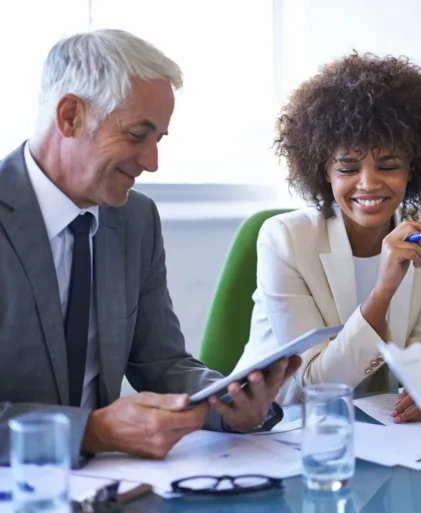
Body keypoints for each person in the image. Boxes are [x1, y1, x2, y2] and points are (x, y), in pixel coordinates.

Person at [0, 29, 301, 468]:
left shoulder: (134, 219)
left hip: (108, 483)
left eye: (158, 139)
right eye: (138, 134)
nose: (152, 162)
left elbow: (159, 360)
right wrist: (90, 431)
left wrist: (230, 402)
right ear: (70, 116)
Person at [232, 53, 421, 421]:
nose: (369, 183)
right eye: (348, 167)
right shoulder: (285, 239)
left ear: (412, 169)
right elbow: (314, 384)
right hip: (278, 424)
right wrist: (382, 291)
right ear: (323, 170)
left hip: (378, 427)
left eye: (388, 166)